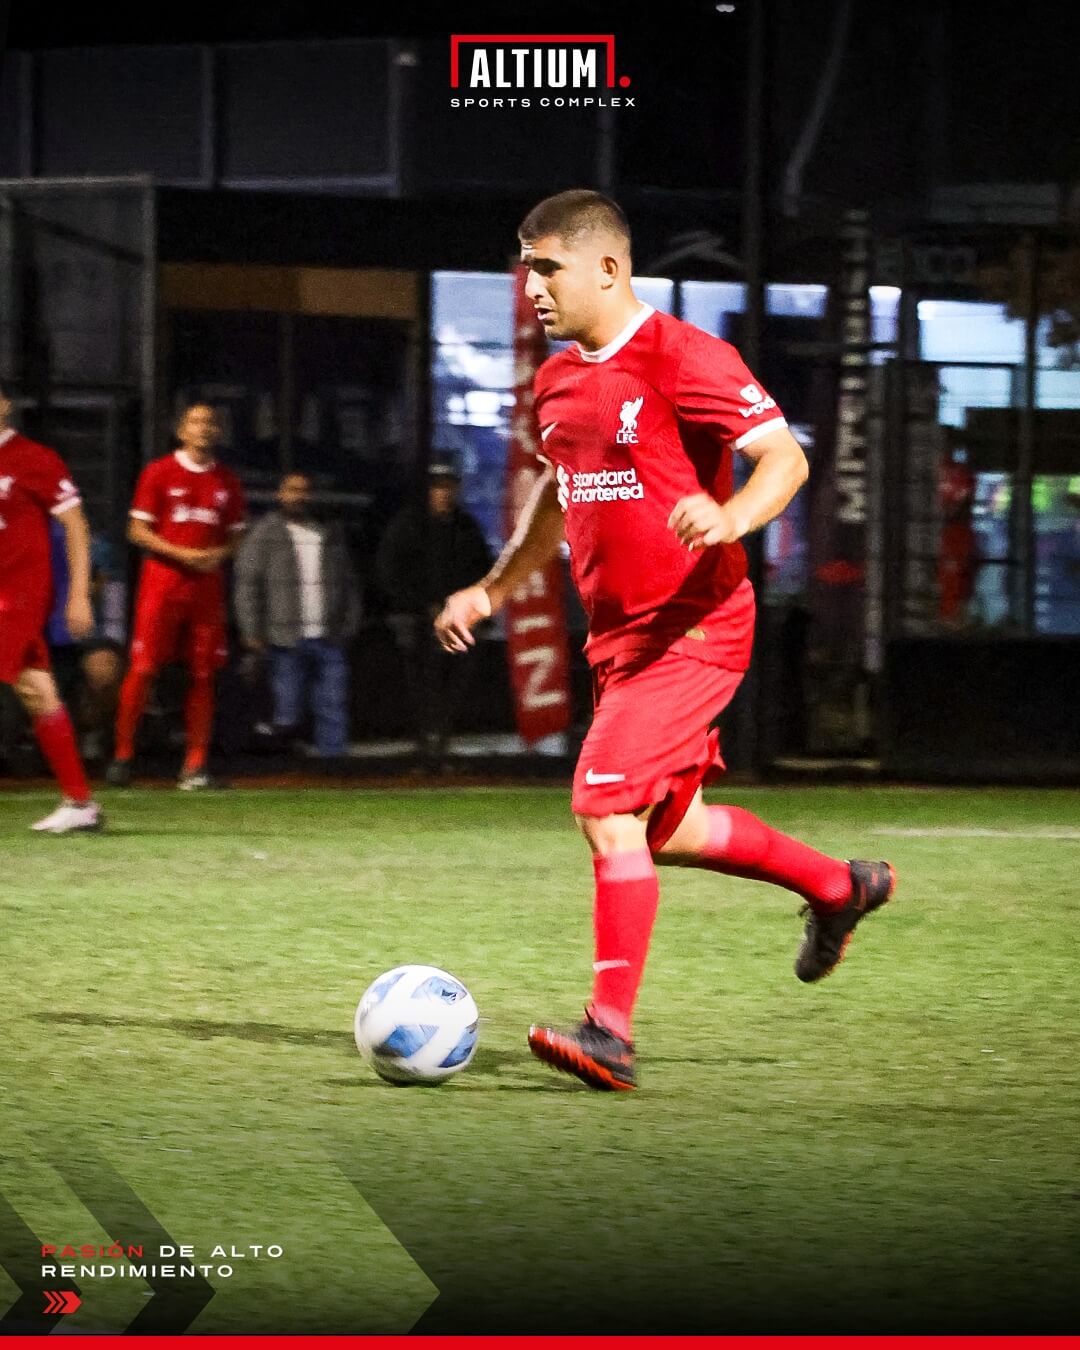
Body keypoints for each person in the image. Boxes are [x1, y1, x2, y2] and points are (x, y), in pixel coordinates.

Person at [435, 190, 896, 1091]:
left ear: (608, 268)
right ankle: (842, 888)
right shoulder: (559, 379)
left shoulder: (686, 356)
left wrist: (728, 517)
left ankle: (609, 1031)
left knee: (603, 807)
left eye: (546, 267)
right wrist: (493, 591)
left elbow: (786, 459)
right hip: (620, 645)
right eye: (525, 267)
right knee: (672, 828)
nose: (531, 286)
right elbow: (556, 496)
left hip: (695, 631)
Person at [107, 404, 246, 789]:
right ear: (181, 430)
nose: (204, 429)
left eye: (211, 423)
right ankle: (122, 755)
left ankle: (195, 765)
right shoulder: (159, 472)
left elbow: (236, 533)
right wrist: (181, 553)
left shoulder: (226, 481)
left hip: (206, 588)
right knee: (144, 667)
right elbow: (137, 530)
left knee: (203, 673)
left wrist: (218, 554)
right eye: (196, 422)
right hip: (163, 583)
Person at [0, 384, 104, 832]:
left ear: (5, 405)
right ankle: (80, 803)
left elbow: (76, 525)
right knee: (37, 691)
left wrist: (78, 594)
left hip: (17, 596)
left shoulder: (34, 458)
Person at [235, 472, 362, 757]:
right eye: (292, 490)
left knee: (332, 706)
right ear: (280, 494)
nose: (298, 496)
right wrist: (251, 631)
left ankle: (334, 769)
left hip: (328, 636)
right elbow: (247, 583)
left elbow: (349, 583)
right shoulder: (265, 533)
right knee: (286, 710)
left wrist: (348, 625)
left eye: (304, 490)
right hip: (283, 637)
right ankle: (286, 769)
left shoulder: (327, 534)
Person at [378, 460, 492, 766]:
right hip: (416, 622)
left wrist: (477, 612)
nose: (443, 493)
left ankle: (442, 741)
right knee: (419, 684)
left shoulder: (466, 527)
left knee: (456, 685)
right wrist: (422, 606)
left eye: (448, 487)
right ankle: (422, 746)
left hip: (461, 622)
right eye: (437, 487)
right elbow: (390, 575)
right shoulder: (406, 526)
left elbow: (484, 572)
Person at [46, 522, 124, 763]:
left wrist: (112, 637)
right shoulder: (22, 536)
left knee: (104, 671)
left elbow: (111, 590)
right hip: (39, 629)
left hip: (88, 629)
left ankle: (93, 732)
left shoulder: (96, 545)